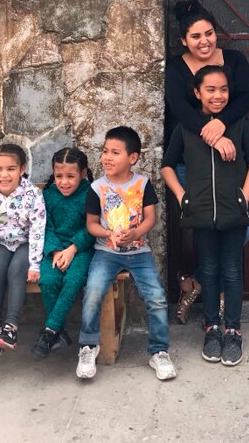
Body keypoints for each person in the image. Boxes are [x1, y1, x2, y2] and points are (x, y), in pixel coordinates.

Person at [162, 66, 249, 366]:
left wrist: (245, 196)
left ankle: (233, 329)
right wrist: (183, 198)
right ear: (197, 93)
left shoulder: (240, 125)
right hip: (201, 212)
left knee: (232, 271)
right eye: (210, 90)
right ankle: (211, 327)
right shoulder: (186, 128)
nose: (218, 96)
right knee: (208, 269)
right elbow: (167, 166)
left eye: (223, 90)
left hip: (233, 211)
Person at [164, 0, 249, 323]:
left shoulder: (234, 59)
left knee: (239, 228)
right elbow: (180, 109)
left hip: (233, 157)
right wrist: (212, 134)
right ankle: (212, 306)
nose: (204, 42)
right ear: (183, 41)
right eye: (195, 37)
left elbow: (246, 97)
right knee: (202, 225)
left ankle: (197, 282)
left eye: (209, 34)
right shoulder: (177, 69)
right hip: (194, 159)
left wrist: (221, 123)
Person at [76, 126, 176, 381]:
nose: (107, 157)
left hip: (139, 251)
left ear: (132, 158)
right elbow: (91, 224)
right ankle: (88, 346)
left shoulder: (143, 184)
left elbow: (151, 218)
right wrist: (108, 234)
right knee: (93, 291)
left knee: (157, 297)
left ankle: (159, 351)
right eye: (105, 151)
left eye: (115, 152)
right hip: (106, 252)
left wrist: (136, 233)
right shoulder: (97, 188)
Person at [0, 143, 45, 362]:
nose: (4, 175)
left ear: (22, 169)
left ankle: (10, 327)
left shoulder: (33, 194)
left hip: (25, 244)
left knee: (16, 271)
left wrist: (34, 264)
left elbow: (37, 230)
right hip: (0, 244)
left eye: (11, 169)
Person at [31, 147, 94, 357]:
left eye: (70, 176)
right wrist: (56, 250)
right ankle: (59, 332)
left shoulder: (91, 194)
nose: (64, 182)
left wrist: (72, 249)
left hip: (81, 249)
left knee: (74, 279)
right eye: (59, 176)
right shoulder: (48, 196)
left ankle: (50, 331)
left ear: (83, 173)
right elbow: (44, 226)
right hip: (54, 249)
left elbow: (91, 227)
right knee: (48, 280)